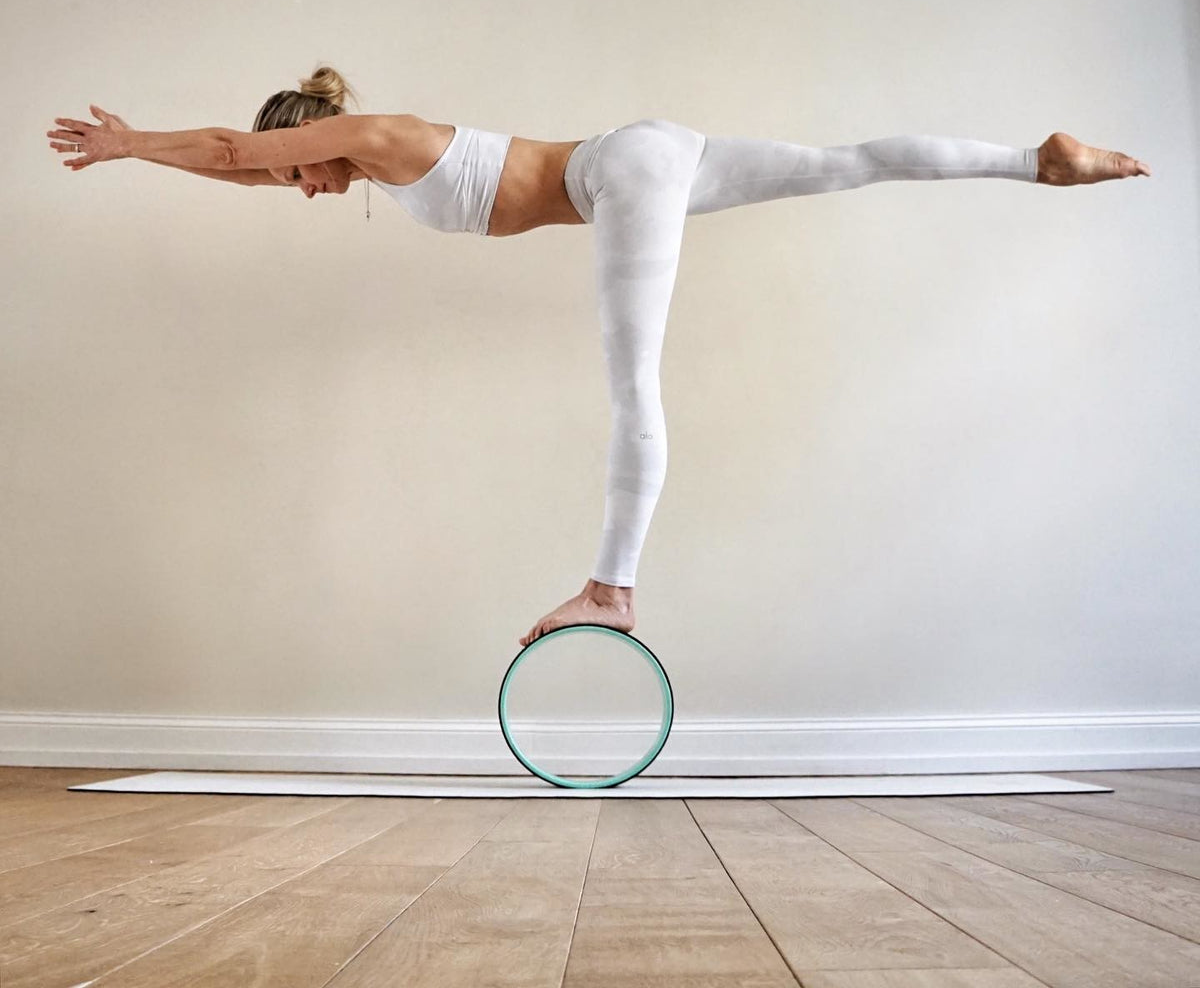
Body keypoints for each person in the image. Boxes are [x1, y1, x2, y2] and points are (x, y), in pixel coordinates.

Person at [47, 65, 1152, 650]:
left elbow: (246, 151)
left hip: (623, 177)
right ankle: (1034, 161)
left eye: (303, 173)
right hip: (646, 152)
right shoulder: (368, 160)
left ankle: (610, 588)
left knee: (634, 384)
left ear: (312, 136)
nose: (300, 193)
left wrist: (132, 140)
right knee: (842, 164)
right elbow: (244, 170)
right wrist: (151, 162)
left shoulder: (373, 136)